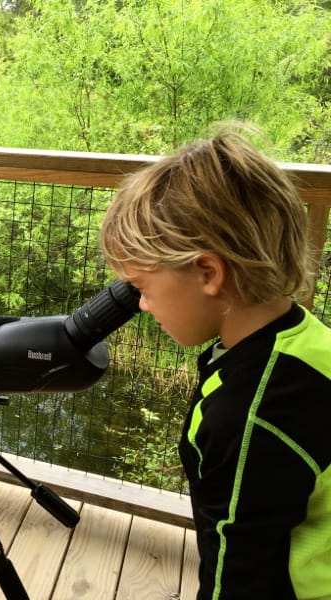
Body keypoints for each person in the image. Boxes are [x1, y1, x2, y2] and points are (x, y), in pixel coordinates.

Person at [99, 128, 331, 599]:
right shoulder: (305, 341)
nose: (141, 306)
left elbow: (239, 573)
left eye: (142, 287)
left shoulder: (249, 417)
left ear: (208, 273)